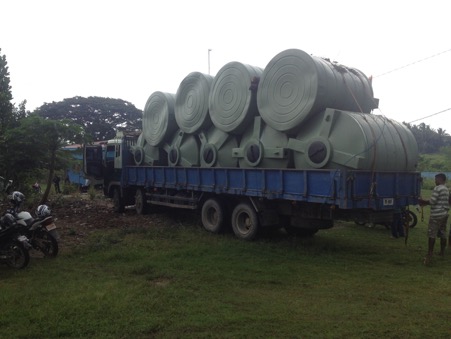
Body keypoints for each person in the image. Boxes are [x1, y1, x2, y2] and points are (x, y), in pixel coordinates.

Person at [418, 173, 449, 265]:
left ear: (440, 179)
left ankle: (429, 254)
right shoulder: (446, 188)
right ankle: (442, 253)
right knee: (443, 233)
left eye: (435, 179)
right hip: (444, 214)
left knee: (432, 234)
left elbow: (432, 201)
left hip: (436, 215)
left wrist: (423, 201)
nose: (435, 181)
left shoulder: (437, 188)